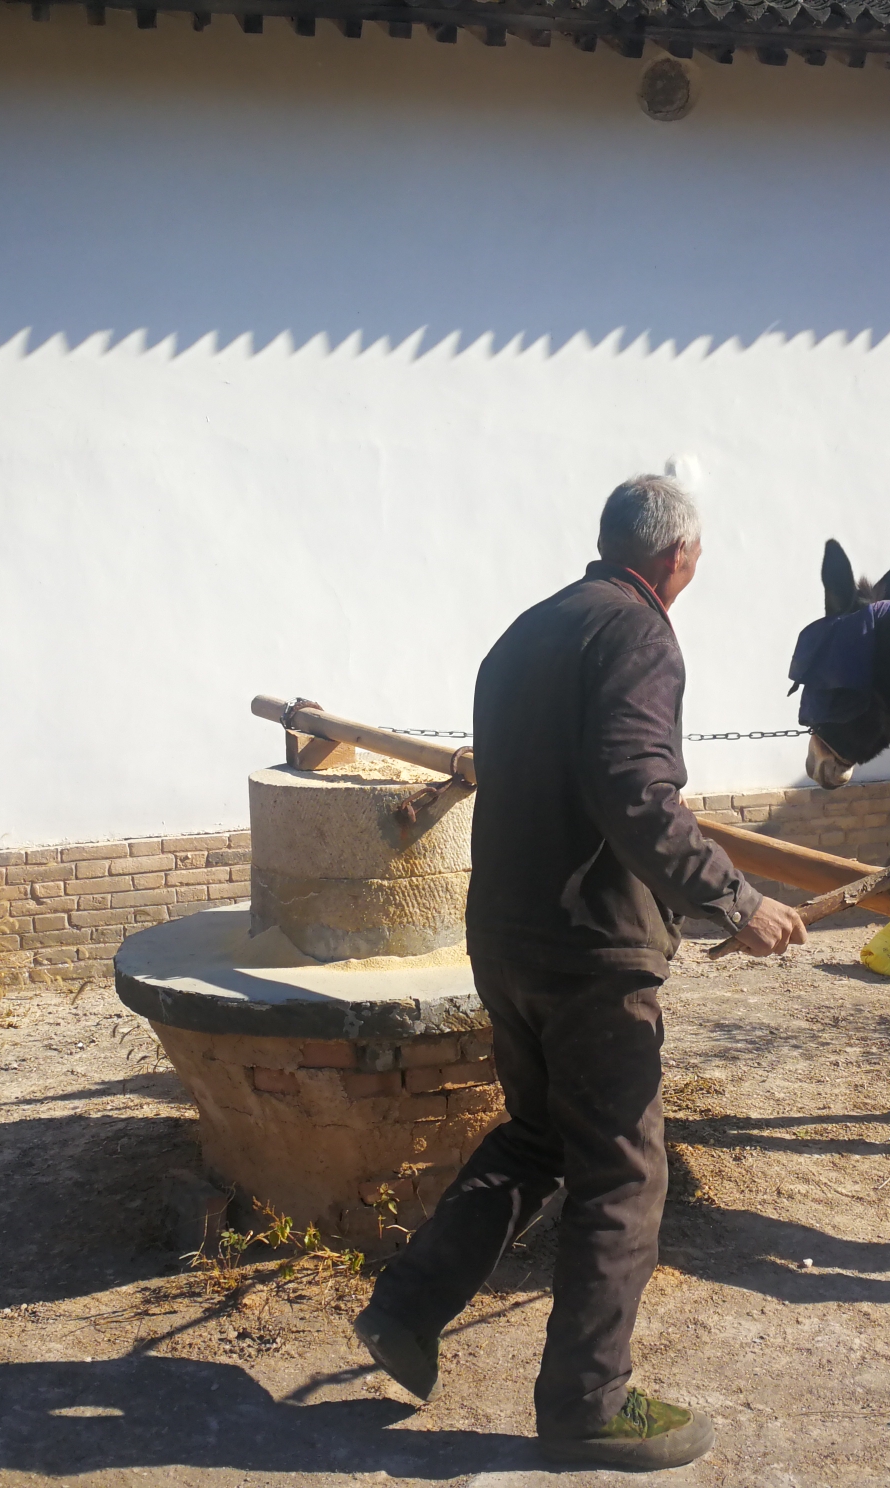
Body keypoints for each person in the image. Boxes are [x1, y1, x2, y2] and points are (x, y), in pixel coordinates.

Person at [353, 475, 809, 1471]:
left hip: (505, 939)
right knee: (622, 1170)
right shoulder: (639, 636)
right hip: (589, 953)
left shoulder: (523, 633)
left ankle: (405, 1308)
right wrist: (739, 902)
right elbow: (636, 794)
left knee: (534, 1136)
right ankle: (587, 1406)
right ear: (678, 560)